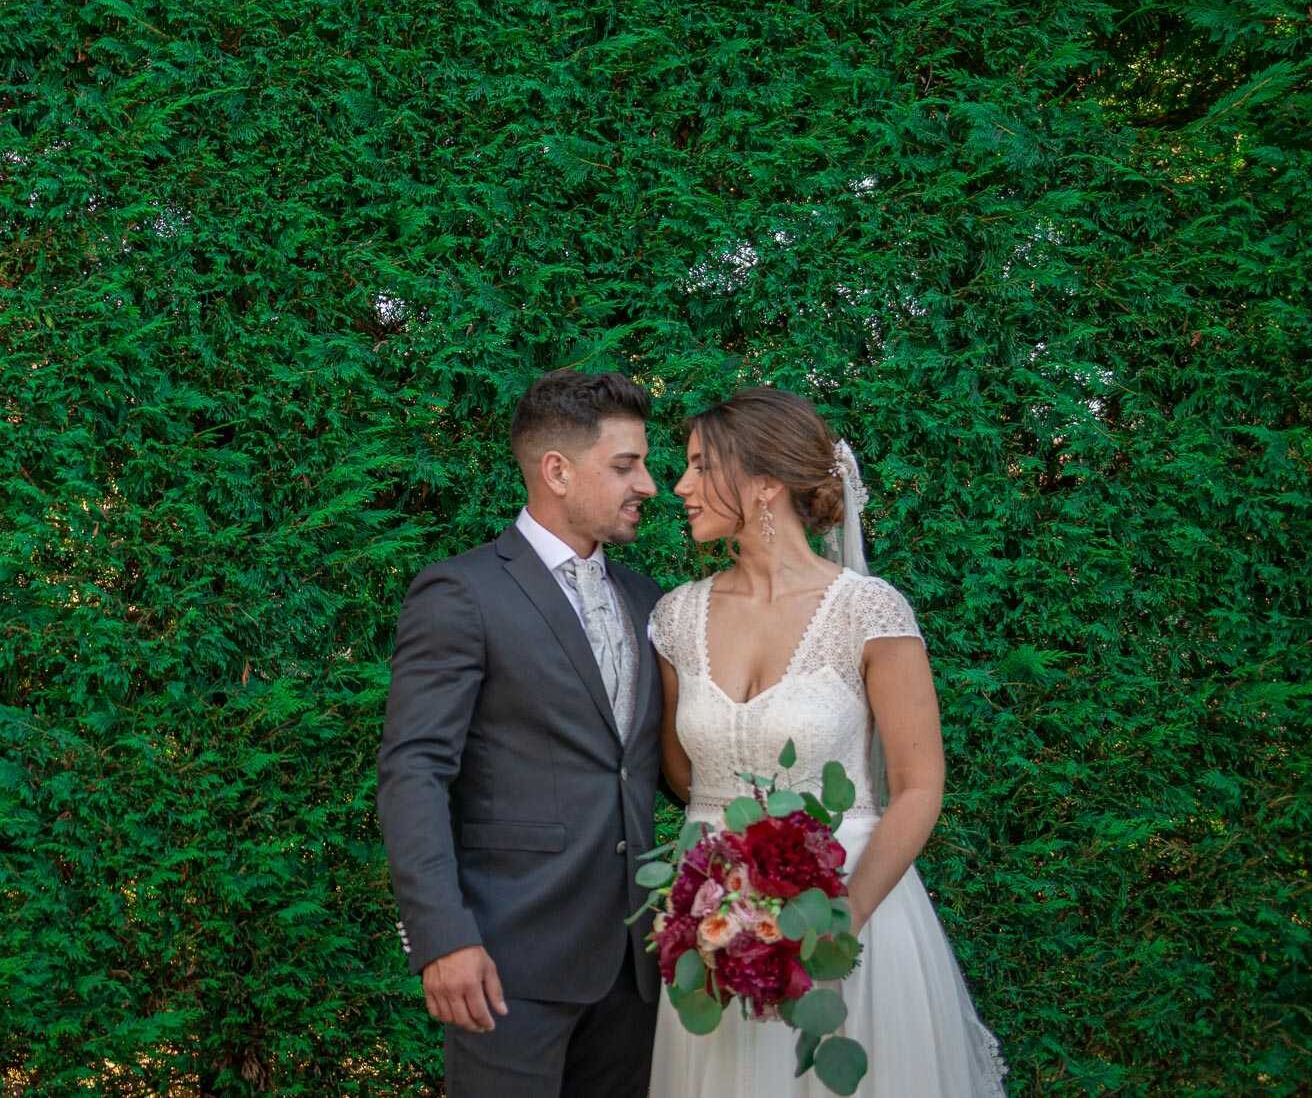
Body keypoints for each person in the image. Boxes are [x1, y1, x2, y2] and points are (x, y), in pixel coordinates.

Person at [647, 387, 1005, 1097]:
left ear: (765, 484)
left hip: (856, 910)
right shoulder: (675, 617)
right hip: (717, 932)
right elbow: (683, 775)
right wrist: (734, 891)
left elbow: (919, 786)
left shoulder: (869, 612)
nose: (679, 487)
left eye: (697, 465)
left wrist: (839, 918)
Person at [379, 369, 666, 1097]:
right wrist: (442, 937)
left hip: (637, 967)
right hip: (509, 963)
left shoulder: (649, 601)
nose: (651, 486)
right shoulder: (463, 593)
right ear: (557, 471)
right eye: (627, 465)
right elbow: (414, 772)